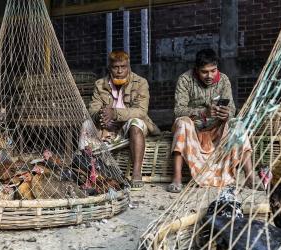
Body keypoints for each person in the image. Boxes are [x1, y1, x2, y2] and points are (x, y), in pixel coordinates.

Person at [167, 48, 256, 193]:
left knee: (237, 124)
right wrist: (203, 113)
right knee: (182, 122)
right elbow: (178, 111)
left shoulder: (224, 80)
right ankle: (176, 178)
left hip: (216, 130)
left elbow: (232, 109)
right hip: (193, 131)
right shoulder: (185, 79)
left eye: (213, 70)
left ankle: (250, 176)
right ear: (196, 70)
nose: (209, 75)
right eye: (204, 72)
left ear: (217, 67)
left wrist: (227, 115)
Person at [81, 50, 160, 190]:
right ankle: (87, 170)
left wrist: (115, 113)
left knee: (136, 123)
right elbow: (92, 110)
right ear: (109, 68)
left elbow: (141, 111)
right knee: (86, 124)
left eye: (123, 67)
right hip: (108, 129)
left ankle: (136, 173)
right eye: (115, 67)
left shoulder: (140, 83)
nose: (119, 71)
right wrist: (100, 116)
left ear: (128, 66)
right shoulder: (100, 84)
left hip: (129, 127)